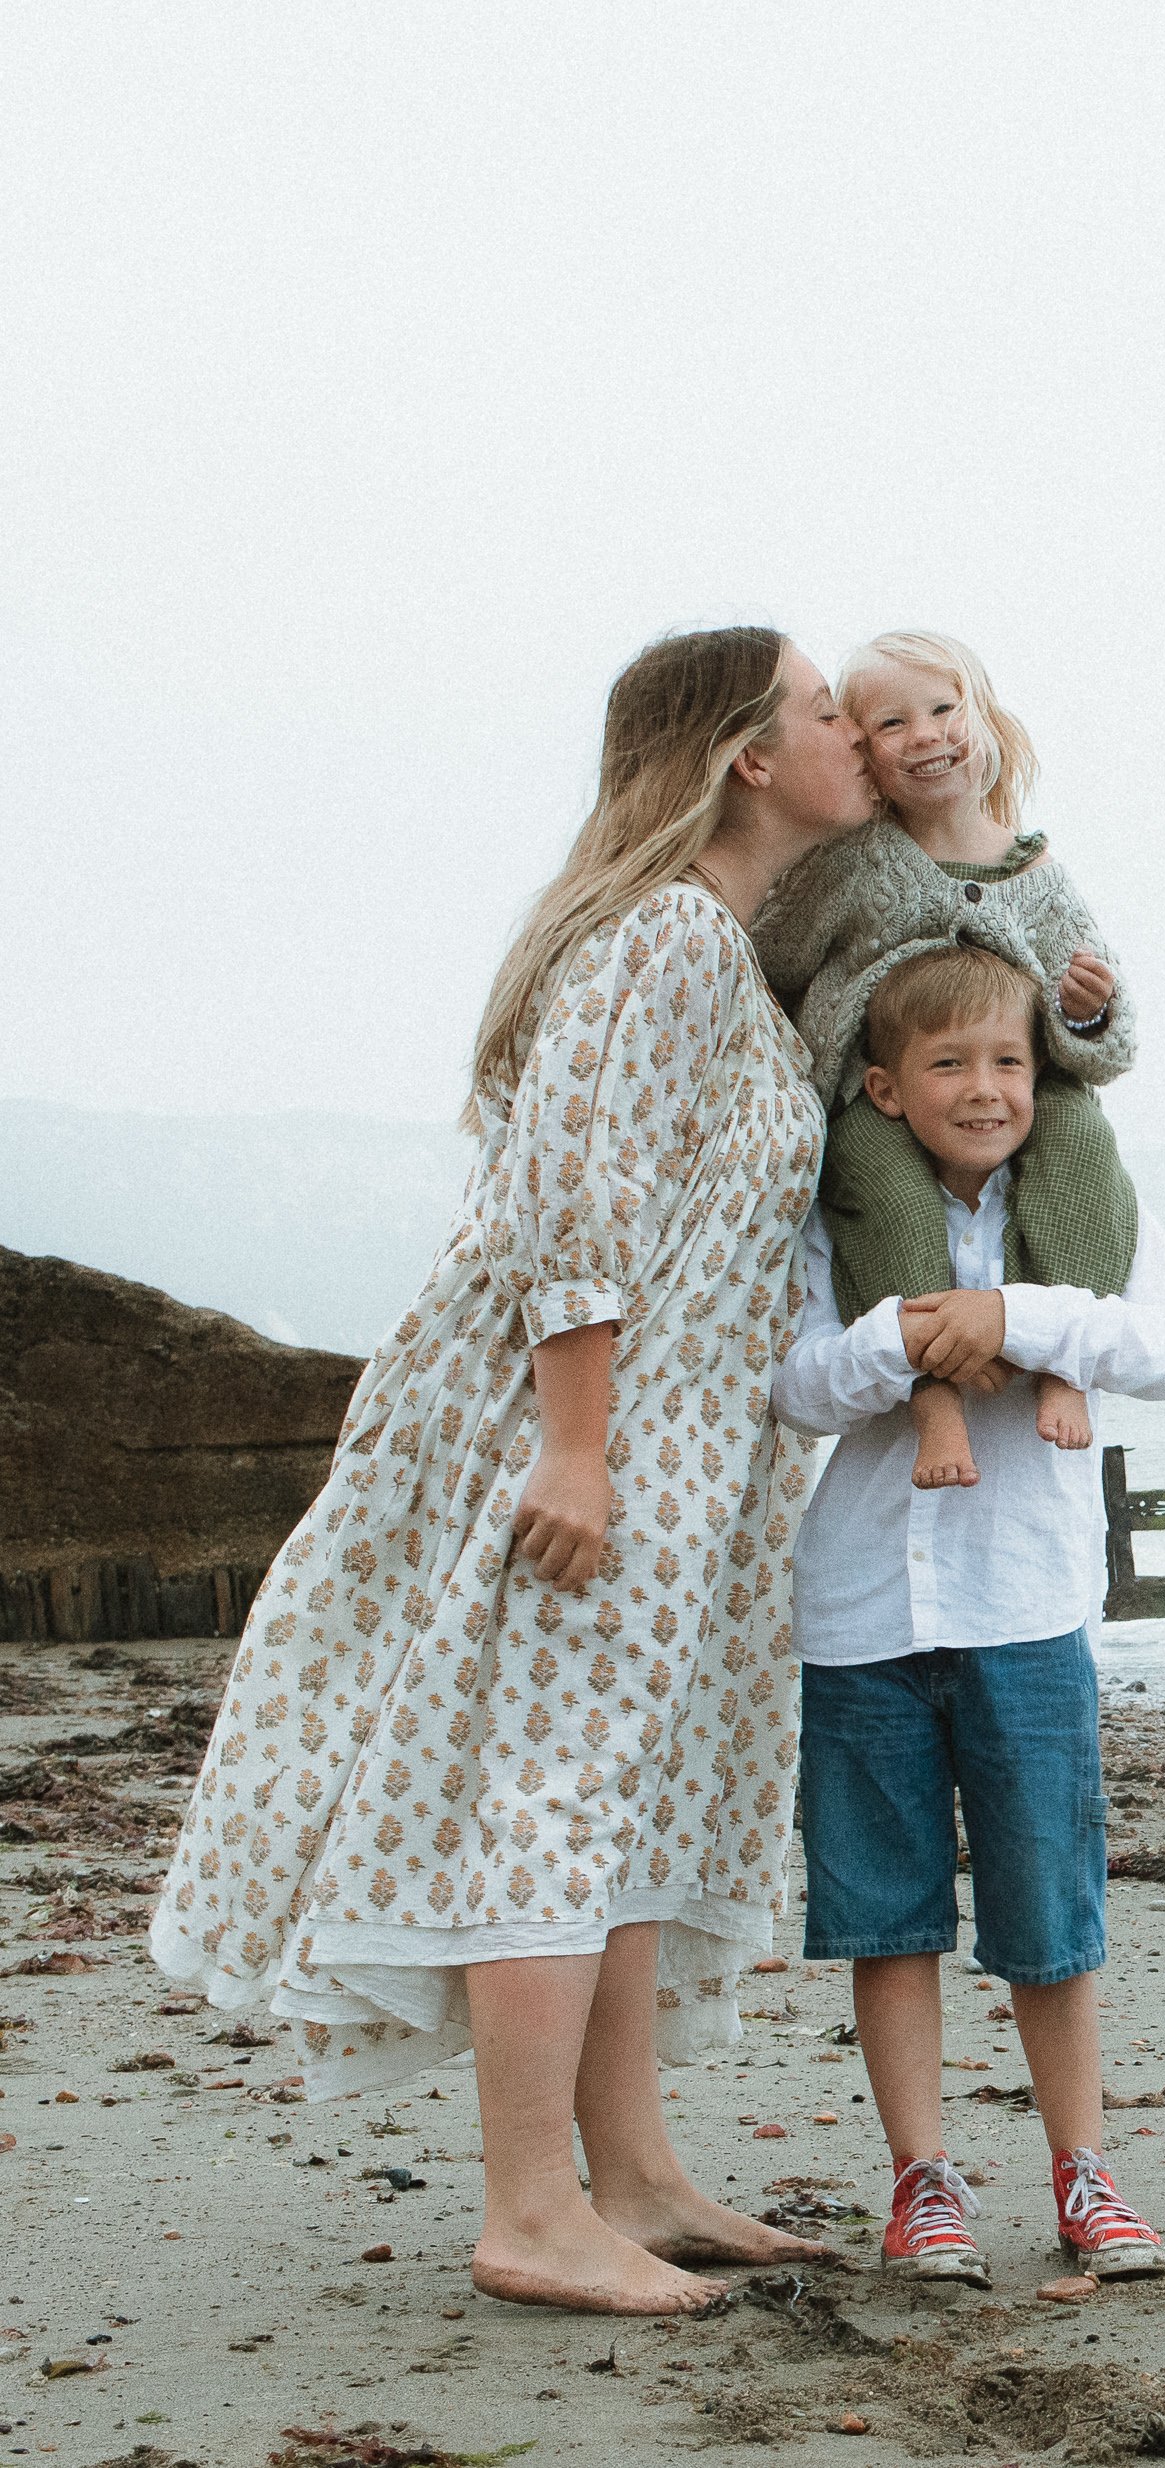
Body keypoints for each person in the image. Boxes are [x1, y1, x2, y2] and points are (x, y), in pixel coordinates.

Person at [149, 627, 875, 2317]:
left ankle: (630, 2174)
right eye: (829, 708)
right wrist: (573, 1444)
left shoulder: (728, 949)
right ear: (751, 754)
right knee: (547, 1789)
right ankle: (530, 2209)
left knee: (611, 1790)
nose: (857, 731)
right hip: (589, 1434)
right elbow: (575, 1197)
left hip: (680, 1445)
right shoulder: (663, 939)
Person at [771, 944, 1165, 2286]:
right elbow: (792, 1382)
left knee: (1048, 1909)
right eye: (949, 1064)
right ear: (889, 1090)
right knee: (886, 1913)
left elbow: (1164, 1347)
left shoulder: (1089, 1206)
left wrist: (1017, 1315)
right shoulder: (839, 1214)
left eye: (1008, 1060)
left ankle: (1084, 2170)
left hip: (1025, 1600)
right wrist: (913, 1337)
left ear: (1041, 1075)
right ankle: (922, 2180)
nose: (984, 1087)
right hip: (862, 1609)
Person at [753, 629, 1140, 1492]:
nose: (924, 734)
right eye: (891, 724)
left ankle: (1064, 1362)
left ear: (982, 717)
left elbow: (1110, 1031)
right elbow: (771, 953)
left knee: (1080, 1138)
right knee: (874, 1178)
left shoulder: (1036, 870)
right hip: (883, 1090)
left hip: (1018, 1081)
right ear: (864, 755)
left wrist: (1088, 1006)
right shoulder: (854, 866)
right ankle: (933, 1402)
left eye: (941, 709)